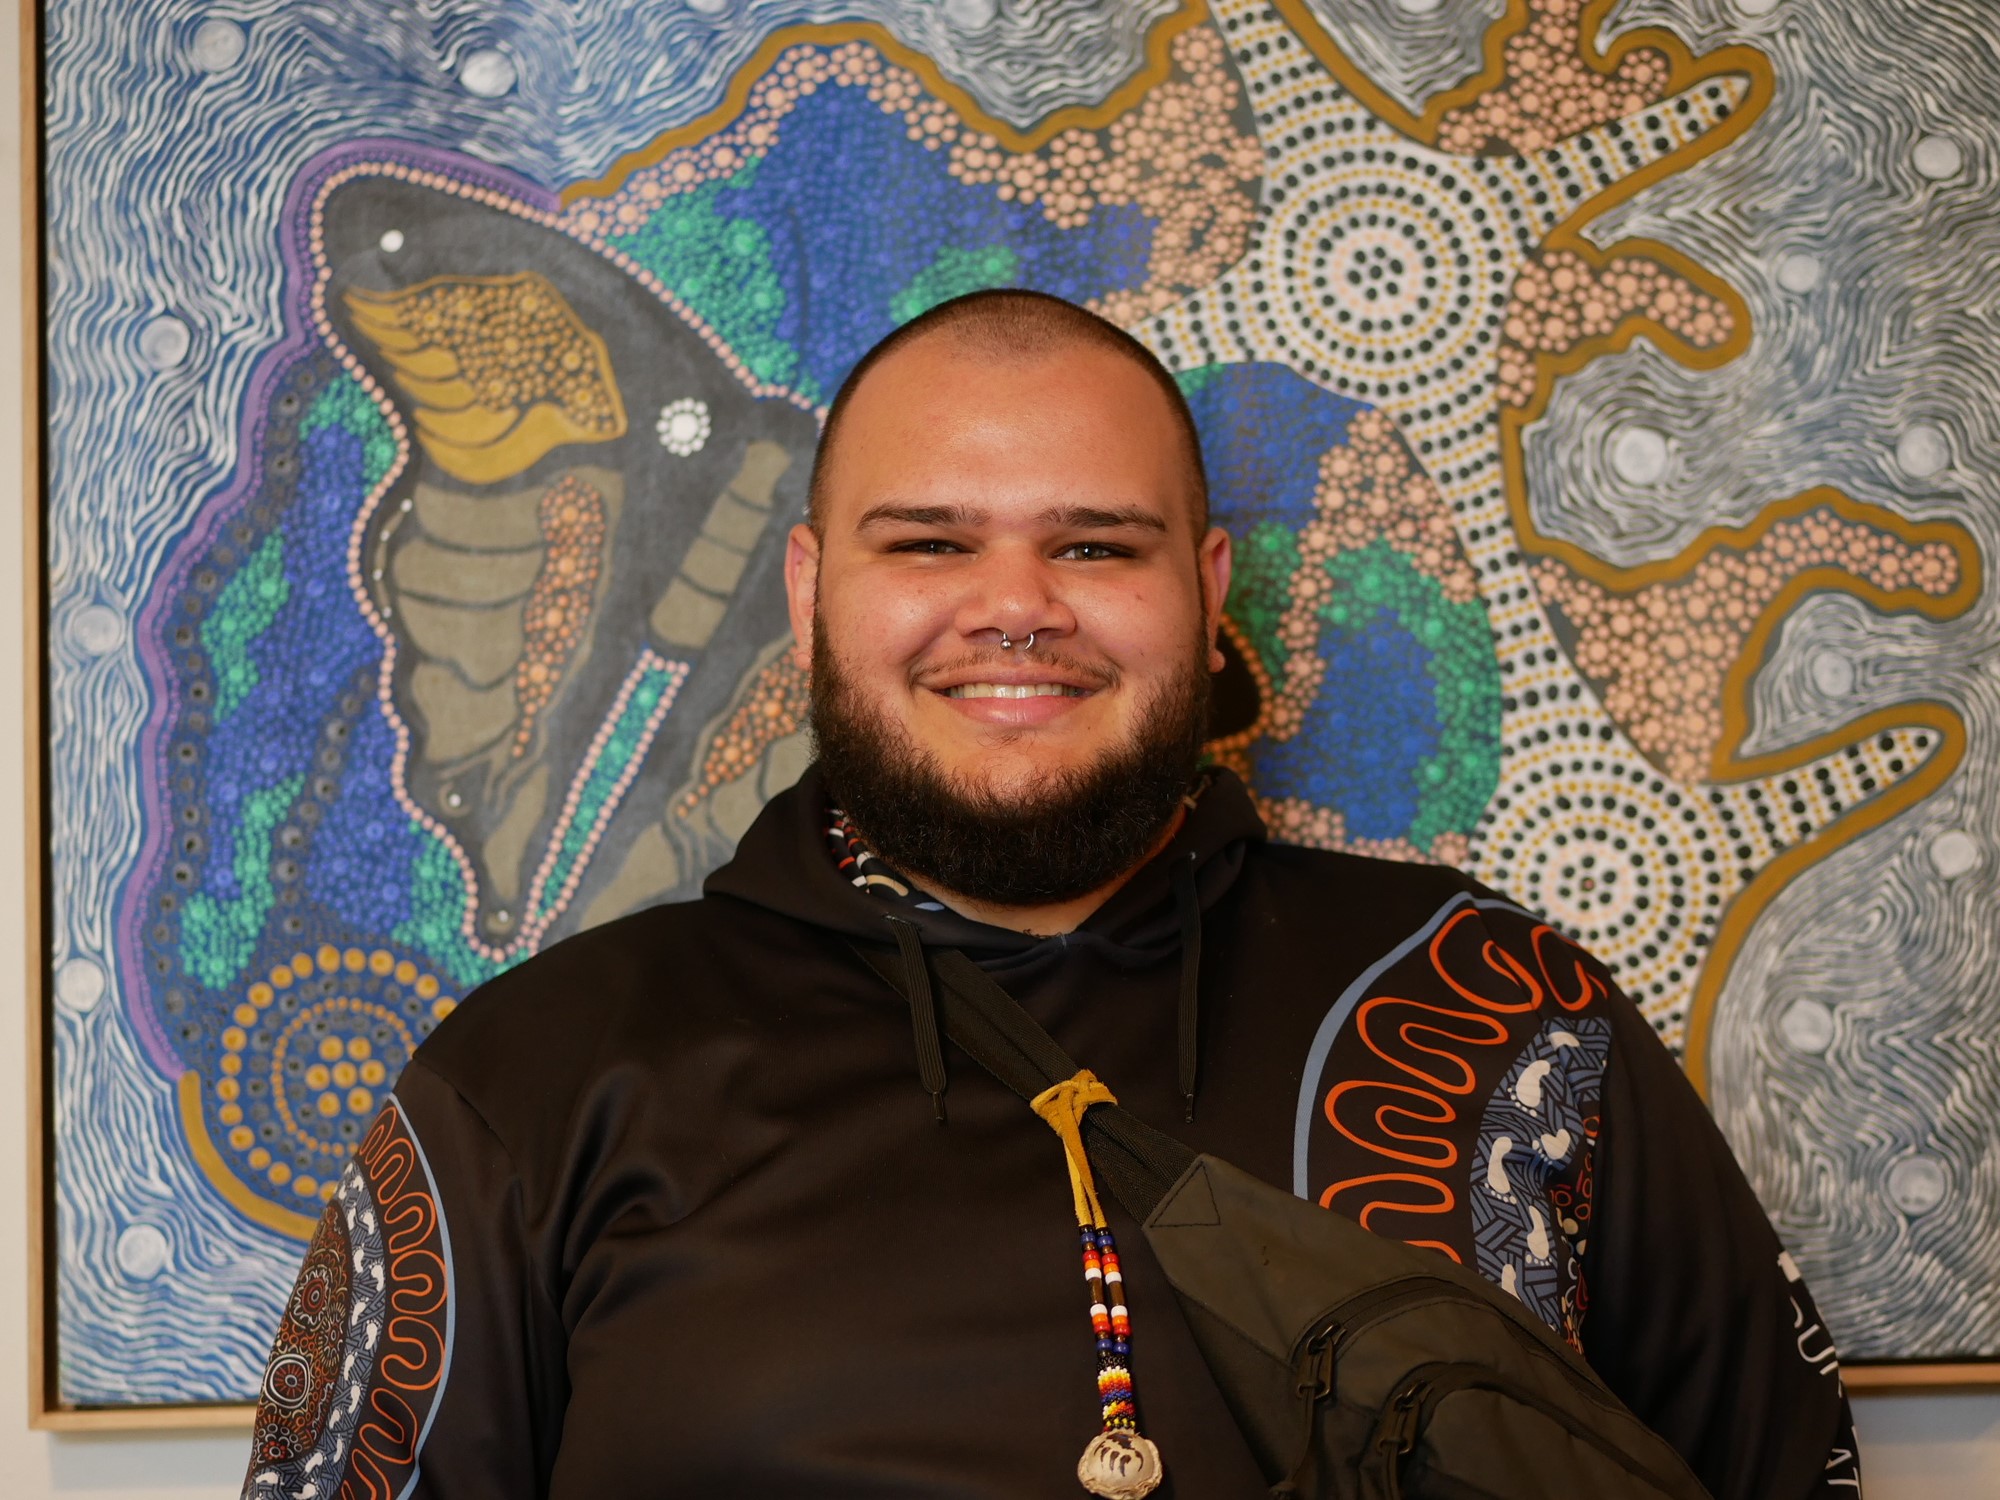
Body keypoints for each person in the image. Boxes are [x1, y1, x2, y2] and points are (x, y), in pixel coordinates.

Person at [240, 289, 1859, 1499]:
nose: (1014, 608)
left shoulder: (1503, 1011)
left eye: (1096, 546)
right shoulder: (530, 1082)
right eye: (929, 543)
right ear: (814, 592)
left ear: (1207, 593)